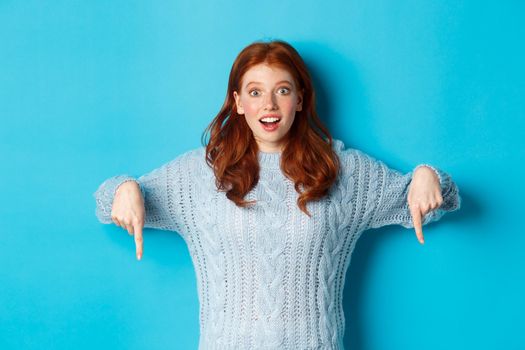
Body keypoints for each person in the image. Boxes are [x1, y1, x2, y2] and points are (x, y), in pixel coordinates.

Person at [93, 39, 461, 350]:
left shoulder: (343, 171)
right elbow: (106, 202)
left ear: (300, 100)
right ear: (238, 102)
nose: (269, 104)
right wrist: (125, 188)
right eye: (255, 92)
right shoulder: (200, 173)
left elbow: (431, 199)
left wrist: (428, 176)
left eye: (282, 90)